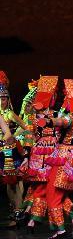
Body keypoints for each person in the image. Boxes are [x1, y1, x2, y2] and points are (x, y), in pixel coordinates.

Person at [40, 79, 73, 239]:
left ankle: (60, 230)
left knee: (52, 194)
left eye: (67, 99)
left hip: (63, 157)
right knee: (61, 195)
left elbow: (60, 120)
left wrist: (48, 121)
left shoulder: (71, 119)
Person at [22, 76, 61, 235]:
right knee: (43, 188)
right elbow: (29, 135)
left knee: (40, 187)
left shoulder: (52, 114)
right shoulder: (53, 114)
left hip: (43, 152)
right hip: (49, 153)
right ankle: (33, 218)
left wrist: (27, 154)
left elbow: (29, 135)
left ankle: (30, 214)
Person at [0, 72, 26, 226]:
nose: (2, 101)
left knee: (12, 182)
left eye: (4, 99)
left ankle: (17, 212)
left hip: (9, 151)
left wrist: (14, 135)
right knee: (7, 184)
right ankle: (16, 210)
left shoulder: (9, 113)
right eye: (0, 99)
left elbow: (25, 126)